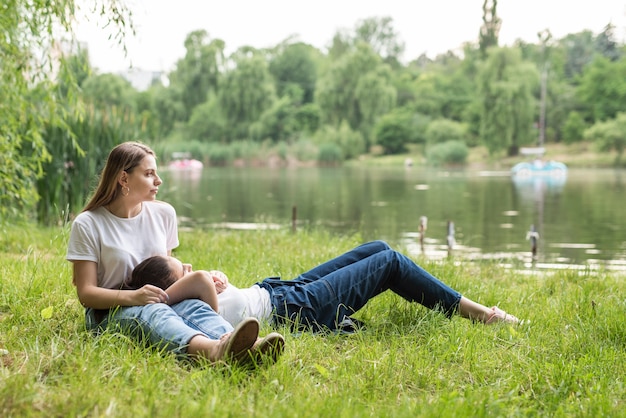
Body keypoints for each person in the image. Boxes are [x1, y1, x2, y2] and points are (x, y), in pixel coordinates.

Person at [66, 141, 285, 365]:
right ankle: (214, 352)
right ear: (124, 179)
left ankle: (243, 345)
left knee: (194, 307)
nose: (158, 181)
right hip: (109, 312)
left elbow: (163, 270)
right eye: (149, 174)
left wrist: (187, 277)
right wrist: (135, 297)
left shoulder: (163, 214)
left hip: (160, 299)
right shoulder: (88, 223)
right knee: (154, 313)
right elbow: (86, 294)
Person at [132, 241, 521, 333]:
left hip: (281, 291)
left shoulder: (187, 297)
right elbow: (197, 281)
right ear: (170, 286)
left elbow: (203, 284)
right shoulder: (175, 302)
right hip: (296, 306)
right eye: (181, 268)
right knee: (390, 263)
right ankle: (483, 315)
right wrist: (202, 279)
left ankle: (340, 321)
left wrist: (220, 282)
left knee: (378, 247)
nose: (191, 268)